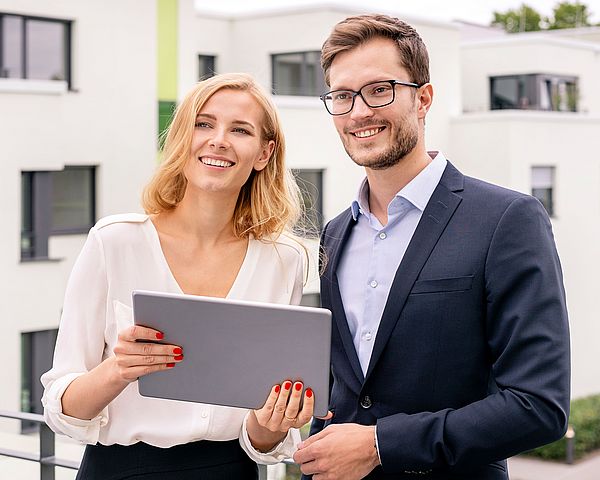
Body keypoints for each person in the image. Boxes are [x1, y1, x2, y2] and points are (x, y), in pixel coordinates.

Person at [293, 14, 570, 480]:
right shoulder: (335, 233)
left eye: (380, 89)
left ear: (423, 98)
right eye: (342, 96)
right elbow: (346, 390)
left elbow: (538, 405)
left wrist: (382, 445)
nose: (359, 111)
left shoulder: (507, 220)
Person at [41, 72, 317, 480]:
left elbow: (261, 440)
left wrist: (271, 424)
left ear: (263, 153)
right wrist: (119, 368)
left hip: (230, 471)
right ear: (182, 139)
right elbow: (62, 411)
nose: (218, 139)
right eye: (203, 124)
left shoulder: (285, 260)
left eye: (239, 130)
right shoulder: (114, 241)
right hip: (121, 470)